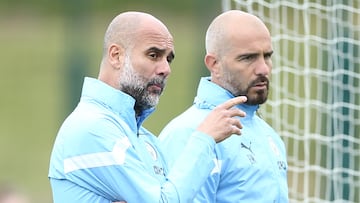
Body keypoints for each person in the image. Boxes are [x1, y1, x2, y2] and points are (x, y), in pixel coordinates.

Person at [48, 11, 248, 203]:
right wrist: (204, 138)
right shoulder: (91, 128)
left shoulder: (146, 140)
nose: (165, 69)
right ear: (116, 55)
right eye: (153, 55)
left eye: (168, 59)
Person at [159, 10, 288, 202]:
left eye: (267, 56)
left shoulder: (269, 135)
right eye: (248, 58)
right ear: (214, 64)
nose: (263, 69)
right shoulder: (189, 134)